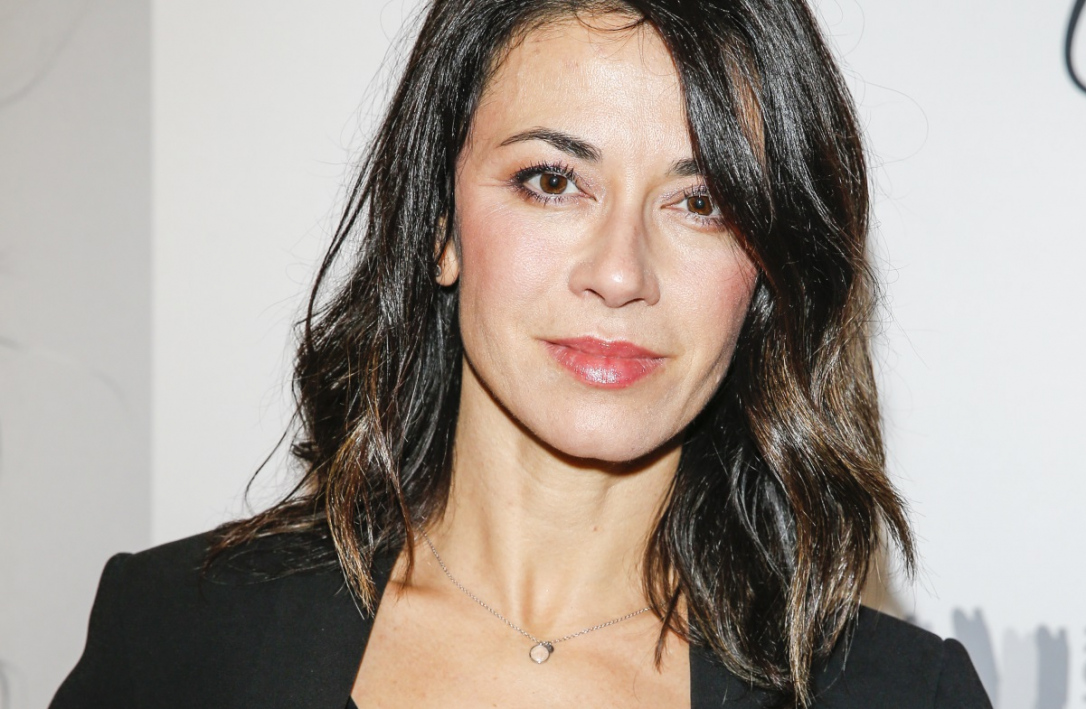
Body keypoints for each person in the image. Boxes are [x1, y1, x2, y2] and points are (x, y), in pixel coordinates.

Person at [52, 1, 992, 707]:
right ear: (441, 222)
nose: (619, 273)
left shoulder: (901, 693)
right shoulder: (174, 638)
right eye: (552, 180)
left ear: (769, 275)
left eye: (701, 203)